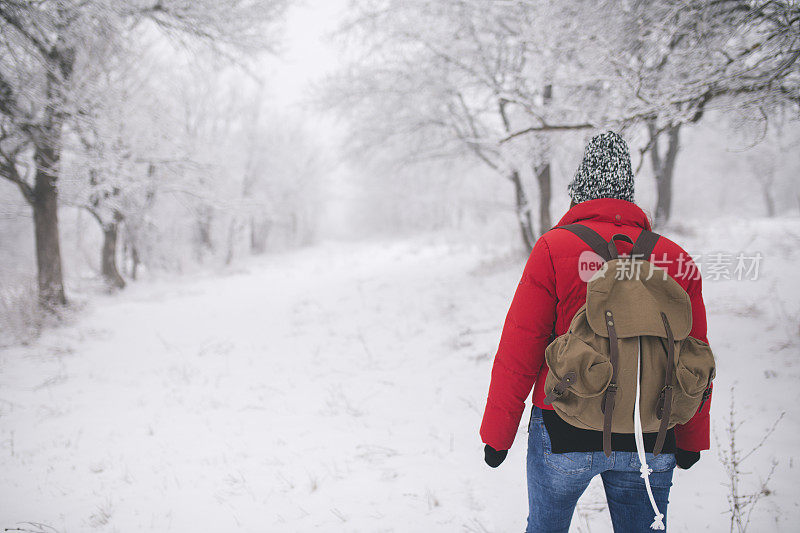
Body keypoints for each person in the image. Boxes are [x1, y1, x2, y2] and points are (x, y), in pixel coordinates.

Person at [479, 131, 711, 532]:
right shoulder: (674, 257)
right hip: (650, 434)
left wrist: (498, 435)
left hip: (562, 427)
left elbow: (520, 347)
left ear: (579, 191)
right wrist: (691, 437)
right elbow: (693, 356)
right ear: (628, 191)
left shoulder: (553, 249)